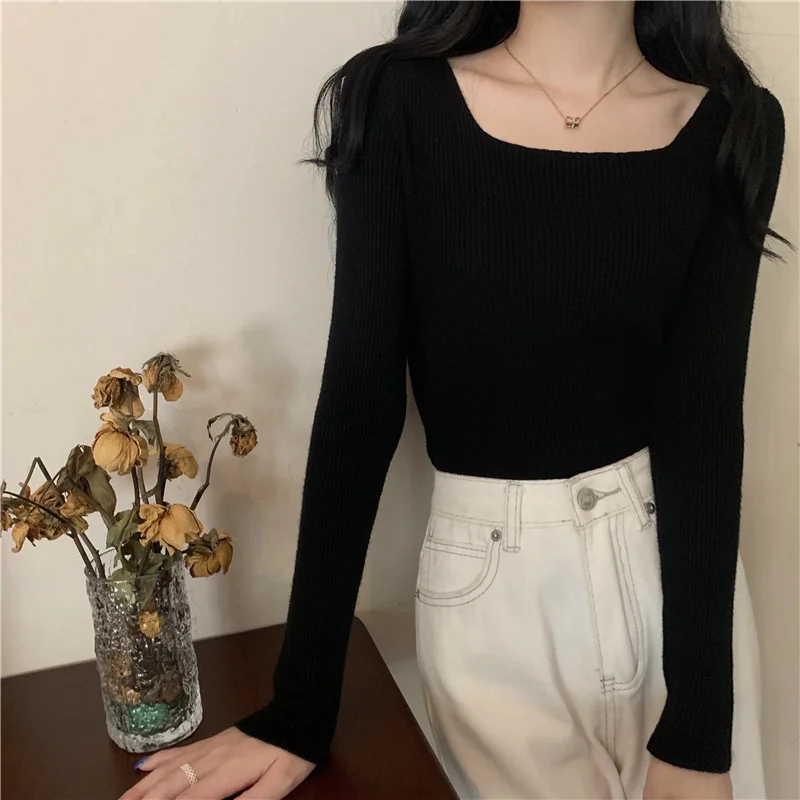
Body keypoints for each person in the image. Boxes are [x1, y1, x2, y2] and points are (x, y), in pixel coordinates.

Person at [120, 1, 788, 799]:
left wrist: (700, 738)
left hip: (676, 587)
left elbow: (703, 422)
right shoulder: (398, 100)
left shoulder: (737, 124)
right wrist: (300, 707)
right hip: (495, 596)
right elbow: (361, 402)